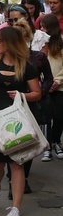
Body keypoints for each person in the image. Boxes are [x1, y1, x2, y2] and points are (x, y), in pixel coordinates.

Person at [0, 27, 42, 216]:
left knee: (17, 163)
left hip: (18, 118)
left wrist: (22, 95)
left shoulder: (27, 66)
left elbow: (37, 93)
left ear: (10, 42)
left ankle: (16, 207)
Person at [40, 15, 63, 161]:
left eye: (43, 26)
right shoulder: (40, 42)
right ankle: (46, 145)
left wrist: (58, 80)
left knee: (59, 116)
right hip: (44, 85)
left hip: (60, 86)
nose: (41, 29)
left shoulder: (60, 42)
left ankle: (56, 141)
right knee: (45, 117)